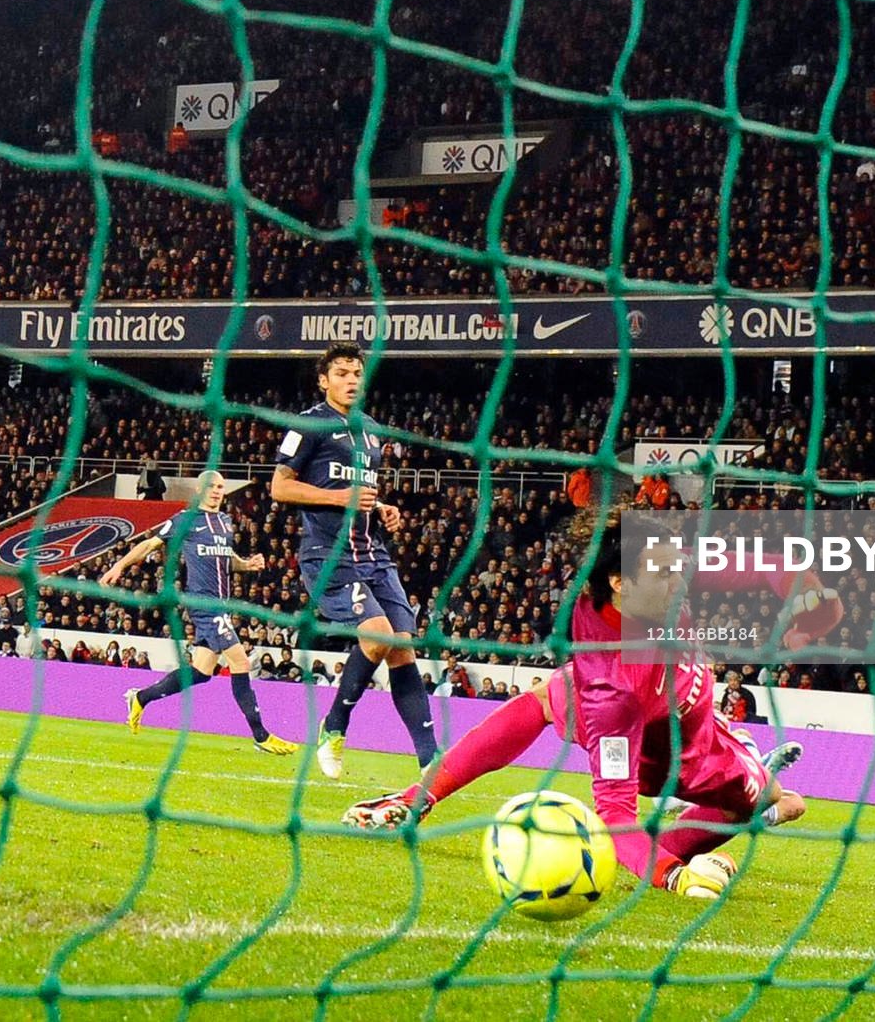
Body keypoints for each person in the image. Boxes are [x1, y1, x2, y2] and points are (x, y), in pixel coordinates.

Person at [345, 512, 811, 901]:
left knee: (791, 802)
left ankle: (415, 800)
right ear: (620, 584)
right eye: (668, 574)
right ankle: (417, 798)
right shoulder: (614, 693)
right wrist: (674, 876)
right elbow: (615, 817)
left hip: (704, 720)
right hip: (685, 761)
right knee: (779, 803)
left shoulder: (652, 587)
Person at [271, 343, 439, 778]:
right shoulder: (307, 425)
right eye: (341, 372)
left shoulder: (370, 430)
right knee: (379, 635)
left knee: (402, 648)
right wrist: (337, 498)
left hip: (374, 554)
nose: (350, 380)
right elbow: (280, 488)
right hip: (328, 556)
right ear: (324, 380)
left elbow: (359, 490)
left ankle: (430, 760)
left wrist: (380, 508)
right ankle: (334, 726)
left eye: (356, 373)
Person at [115, 472, 298, 755]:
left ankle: (140, 698)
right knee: (240, 662)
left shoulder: (225, 522)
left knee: (201, 672)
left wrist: (246, 565)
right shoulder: (186, 519)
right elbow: (150, 544)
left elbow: (227, 560)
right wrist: (119, 567)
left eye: (221, 487)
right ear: (199, 489)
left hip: (221, 605)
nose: (216, 491)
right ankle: (261, 736)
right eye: (211, 487)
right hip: (204, 604)